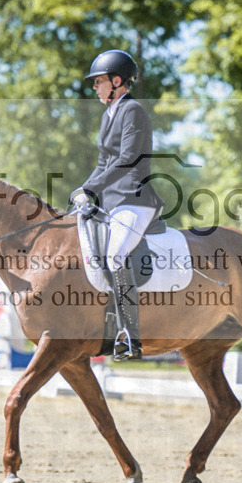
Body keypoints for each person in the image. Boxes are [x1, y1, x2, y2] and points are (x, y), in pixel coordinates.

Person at [70, 49, 164, 361]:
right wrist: (84, 190)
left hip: (135, 200)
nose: (94, 87)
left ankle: (130, 336)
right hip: (113, 202)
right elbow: (103, 162)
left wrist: (94, 187)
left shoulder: (132, 111)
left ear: (117, 81)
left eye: (99, 81)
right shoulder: (108, 115)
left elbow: (126, 160)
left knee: (115, 254)